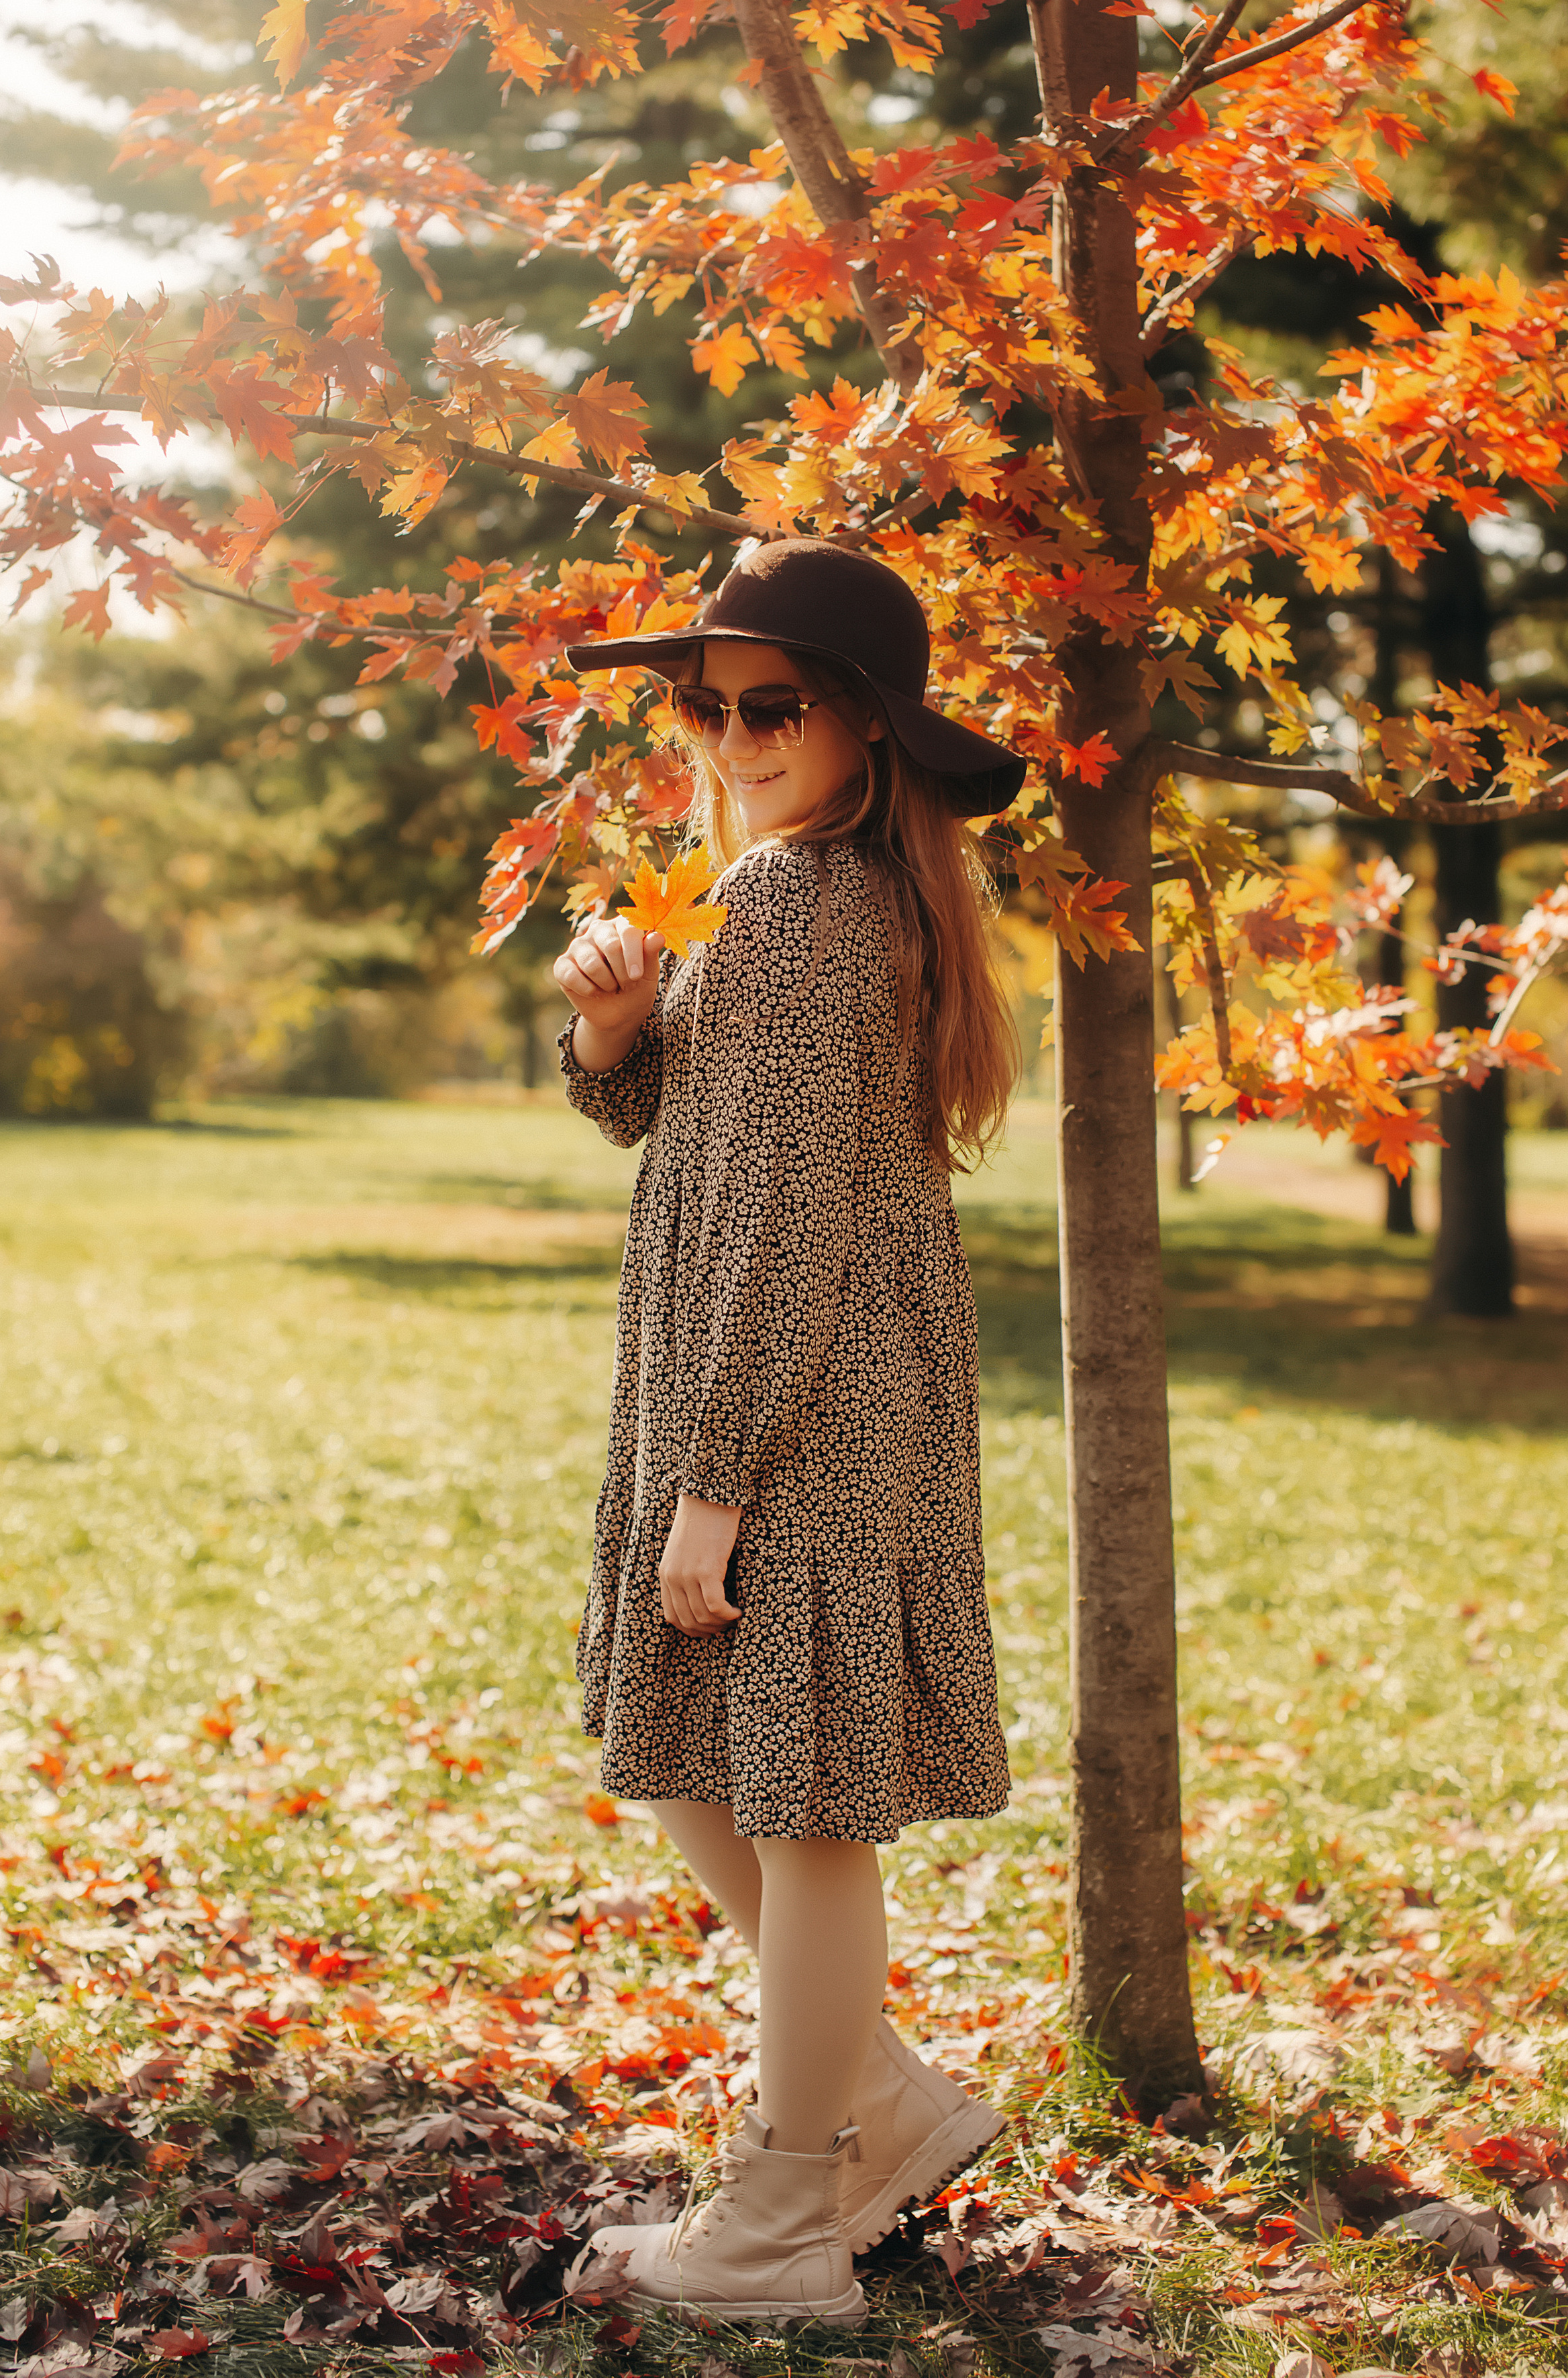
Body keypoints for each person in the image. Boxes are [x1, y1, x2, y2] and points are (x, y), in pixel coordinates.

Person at [550, 537, 1027, 2327]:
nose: (734, 738)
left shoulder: (803, 906)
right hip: (788, 1386)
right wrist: (617, 1035)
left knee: (804, 1803)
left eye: (774, 708)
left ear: (865, 725)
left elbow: (782, 1220)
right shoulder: (805, 895)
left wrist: (717, 1482)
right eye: (710, 707)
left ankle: (779, 2219)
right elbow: (701, 1139)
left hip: (803, 1408)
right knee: (690, 1745)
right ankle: (879, 2107)